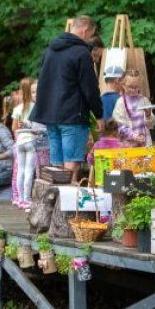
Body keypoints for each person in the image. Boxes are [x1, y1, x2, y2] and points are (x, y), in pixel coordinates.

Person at [31, 15, 103, 184]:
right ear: (85, 30)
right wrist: (99, 114)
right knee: (72, 162)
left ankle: (56, 207)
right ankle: (67, 207)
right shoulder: (81, 53)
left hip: (50, 115)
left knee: (56, 163)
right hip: (72, 115)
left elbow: (43, 81)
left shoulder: (50, 50)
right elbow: (90, 87)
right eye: (90, 35)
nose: (89, 39)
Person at [11, 79, 44, 209]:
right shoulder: (36, 107)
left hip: (19, 142)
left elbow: (14, 128)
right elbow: (36, 128)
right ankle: (27, 199)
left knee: (21, 171)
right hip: (30, 141)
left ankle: (19, 198)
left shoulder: (18, 108)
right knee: (29, 171)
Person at [112, 69, 155, 147]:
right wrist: (134, 136)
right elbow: (119, 126)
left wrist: (148, 115)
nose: (133, 90)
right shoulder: (120, 102)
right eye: (130, 87)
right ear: (123, 85)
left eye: (136, 87)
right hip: (128, 146)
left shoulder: (144, 100)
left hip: (144, 145)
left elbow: (152, 125)